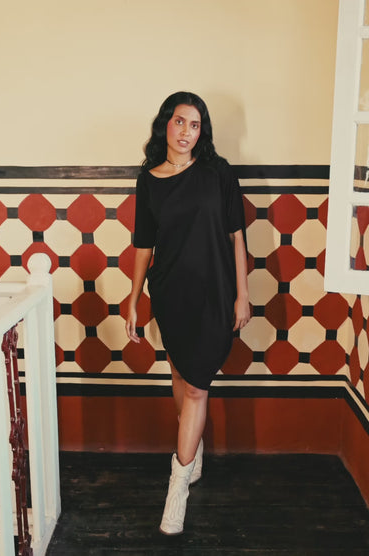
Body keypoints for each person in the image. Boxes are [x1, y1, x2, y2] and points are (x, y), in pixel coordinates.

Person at [125, 91, 250, 535]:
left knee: (197, 386)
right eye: (180, 121)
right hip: (170, 293)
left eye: (195, 125)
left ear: (202, 132)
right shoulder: (149, 180)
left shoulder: (219, 173)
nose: (186, 132)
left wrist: (243, 294)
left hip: (215, 293)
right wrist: (134, 298)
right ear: (166, 123)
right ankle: (191, 451)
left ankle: (177, 487)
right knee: (180, 375)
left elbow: (237, 236)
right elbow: (144, 245)